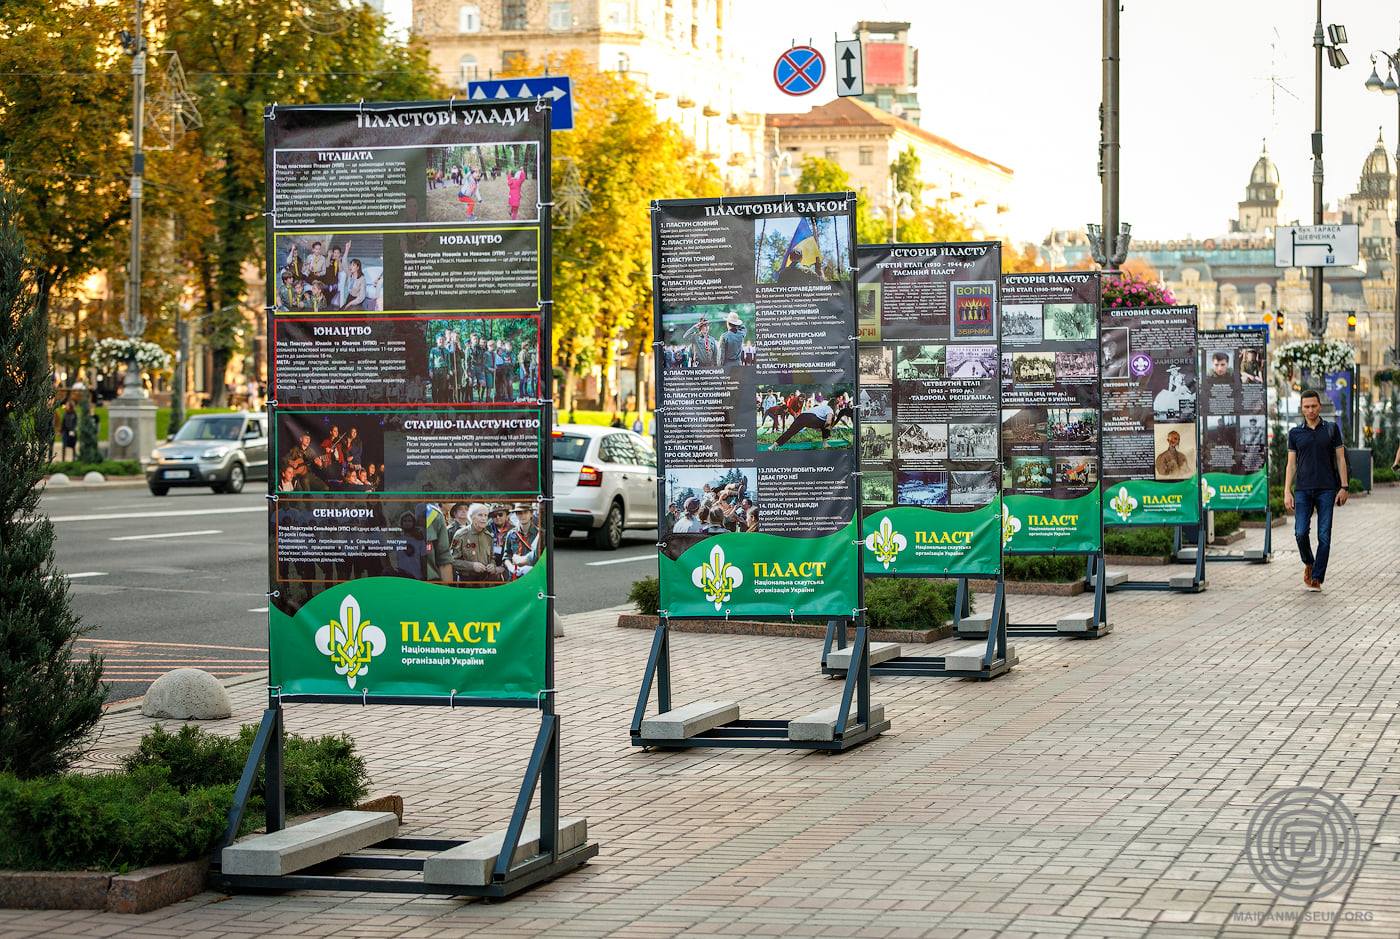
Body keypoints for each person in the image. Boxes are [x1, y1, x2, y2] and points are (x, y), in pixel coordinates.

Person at [1285, 389, 1348, 592]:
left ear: (1319, 406)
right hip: (1302, 489)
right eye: (1306, 407)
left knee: (1324, 535)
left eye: (1313, 406)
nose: (1310, 410)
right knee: (1300, 532)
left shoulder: (1331, 429)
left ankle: (1317, 577)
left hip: (1327, 489)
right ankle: (1309, 563)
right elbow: (1291, 465)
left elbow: (1340, 458)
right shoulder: (1295, 433)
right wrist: (1287, 490)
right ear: (1301, 408)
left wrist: (1344, 487)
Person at [451, 503, 503, 585]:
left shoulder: (488, 536)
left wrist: (492, 565)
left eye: (486, 515)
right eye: (480, 515)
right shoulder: (461, 535)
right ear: (472, 517)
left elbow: (492, 557)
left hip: (486, 583)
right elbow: (453, 561)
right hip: (467, 583)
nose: (484, 518)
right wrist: (472, 566)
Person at [773, 393, 838, 448]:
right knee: (827, 423)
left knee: (790, 431)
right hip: (811, 418)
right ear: (835, 406)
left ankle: (774, 445)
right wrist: (823, 429)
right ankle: (825, 443)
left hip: (802, 416)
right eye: (837, 406)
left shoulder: (822, 406)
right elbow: (828, 421)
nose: (837, 407)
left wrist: (820, 427)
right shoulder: (830, 409)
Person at [504, 503, 541, 579]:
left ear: (531, 514)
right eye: (519, 513)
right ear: (516, 515)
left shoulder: (539, 534)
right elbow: (507, 556)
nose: (523, 516)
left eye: (525, 512)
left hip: (533, 575)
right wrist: (510, 567)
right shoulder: (511, 534)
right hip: (515, 576)